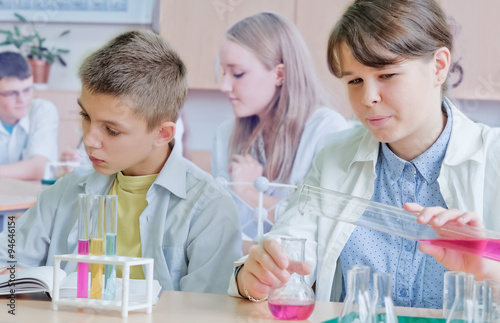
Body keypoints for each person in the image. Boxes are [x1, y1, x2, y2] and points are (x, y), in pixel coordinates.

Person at [229, 0, 500, 308]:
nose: (368, 97)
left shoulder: (494, 159)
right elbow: (282, 251)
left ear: (438, 66)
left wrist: (489, 269)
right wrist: (252, 278)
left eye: (387, 75)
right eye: (355, 81)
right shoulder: (334, 158)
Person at [0, 30, 242, 294]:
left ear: (162, 134)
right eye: (85, 115)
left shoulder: (210, 209)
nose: (90, 139)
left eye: (112, 130)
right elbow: (8, 257)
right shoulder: (64, 192)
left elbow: (204, 313)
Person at [212, 12, 350, 244]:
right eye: (223, 73)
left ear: (279, 74)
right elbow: (216, 227)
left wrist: (249, 193)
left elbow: (323, 226)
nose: (225, 86)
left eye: (237, 74)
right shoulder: (225, 135)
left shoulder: (327, 131)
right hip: (236, 276)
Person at [0, 51, 59, 180]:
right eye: (12, 93)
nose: (22, 100)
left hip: (33, 197)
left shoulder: (43, 110)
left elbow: (38, 169)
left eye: (27, 90)